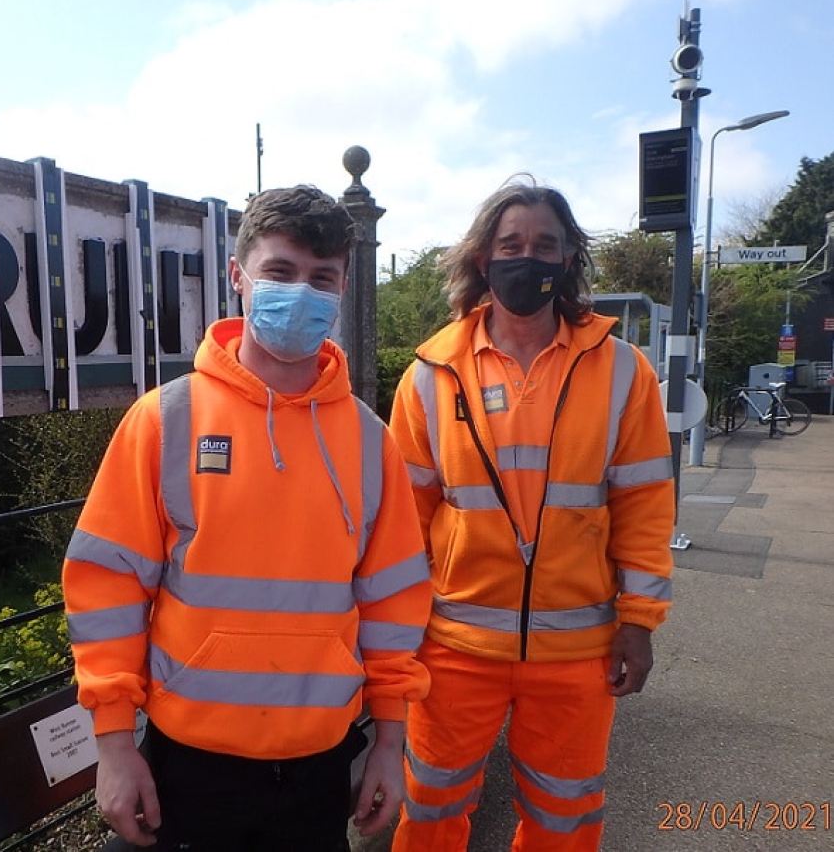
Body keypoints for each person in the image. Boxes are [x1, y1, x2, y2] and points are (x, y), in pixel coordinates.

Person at [61, 184, 432, 851]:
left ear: (342, 286)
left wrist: (390, 743)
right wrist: (115, 745)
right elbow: (106, 587)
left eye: (323, 278)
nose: (303, 291)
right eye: (281, 271)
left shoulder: (371, 444)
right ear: (238, 277)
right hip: (188, 772)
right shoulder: (165, 421)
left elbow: (395, 606)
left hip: (321, 775)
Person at [388, 177, 675, 851]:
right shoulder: (430, 375)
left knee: (564, 821)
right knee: (429, 810)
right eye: (511, 243)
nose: (528, 257)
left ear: (569, 258)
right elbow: (402, 520)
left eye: (545, 244)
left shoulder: (624, 372)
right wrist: (395, 634)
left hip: (580, 651)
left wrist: (639, 623)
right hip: (454, 647)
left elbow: (644, 506)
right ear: (483, 258)